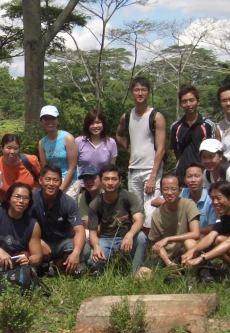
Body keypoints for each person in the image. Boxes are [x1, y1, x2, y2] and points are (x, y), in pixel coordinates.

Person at [116, 77, 166, 232]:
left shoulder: (156, 116)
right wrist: (130, 150)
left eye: (143, 90)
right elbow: (119, 135)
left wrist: (153, 176)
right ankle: (139, 247)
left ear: (149, 93)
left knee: (151, 212)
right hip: (133, 170)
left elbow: (161, 149)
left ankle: (152, 248)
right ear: (131, 93)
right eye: (137, 90)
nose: (140, 93)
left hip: (151, 169)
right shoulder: (127, 116)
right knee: (136, 212)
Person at [87, 164, 146, 274]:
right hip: (105, 239)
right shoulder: (95, 204)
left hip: (126, 237)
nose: (110, 183)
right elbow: (93, 232)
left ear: (119, 181)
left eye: (114, 179)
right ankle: (108, 270)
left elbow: (139, 220)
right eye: (106, 179)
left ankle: (135, 272)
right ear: (100, 180)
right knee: (94, 262)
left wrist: (129, 235)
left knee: (141, 237)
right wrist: (96, 247)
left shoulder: (129, 197)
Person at [31, 164, 88, 275]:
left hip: (62, 242)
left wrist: (75, 253)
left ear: (60, 183)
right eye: (48, 179)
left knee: (84, 250)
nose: (51, 184)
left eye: (55, 180)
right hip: (38, 242)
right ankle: (42, 267)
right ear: (40, 180)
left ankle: (58, 264)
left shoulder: (68, 202)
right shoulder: (31, 198)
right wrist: (39, 242)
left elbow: (79, 230)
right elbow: (22, 225)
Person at [148, 174, 201, 271]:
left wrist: (168, 239)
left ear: (180, 190)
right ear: (161, 191)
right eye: (165, 189)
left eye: (173, 189)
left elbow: (196, 233)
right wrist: (168, 262)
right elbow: (157, 243)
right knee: (141, 276)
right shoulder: (157, 213)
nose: (169, 192)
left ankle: (191, 279)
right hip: (166, 255)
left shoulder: (189, 204)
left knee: (190, 243)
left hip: (185, 252)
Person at [170, 86, 216, 182]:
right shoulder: (175, 127)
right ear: (181, 104)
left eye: (191, 100)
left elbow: (214, 152)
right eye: (184, 101)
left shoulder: (208, 125)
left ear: (198, 102)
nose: (188, 104)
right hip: (182, 176)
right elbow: (176, 151)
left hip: (204, 176)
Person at [38, 105, 80, 198]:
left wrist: (60, 190)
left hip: (70, 181)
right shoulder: (42, 143)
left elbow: (72, 168)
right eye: (46, 119)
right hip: (52, 181)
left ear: (58, 120)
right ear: (41, 122)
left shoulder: (67, 138)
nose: (50, 121)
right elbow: (45, 168)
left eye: (53, 118)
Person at [76, 109, 117, 179]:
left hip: (102, 186)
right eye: (92, 123)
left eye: (98, 122)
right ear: (87, 125)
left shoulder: (111, 142)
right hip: (82, 184)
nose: (95, 126)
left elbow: (111, 169)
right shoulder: (79, 141)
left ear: (103, 124)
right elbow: (73, 166)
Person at [0, 133, 41, 199]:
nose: (12, 151)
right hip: (8, 204)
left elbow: (42, 179)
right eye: (8, 148)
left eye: (15, 148)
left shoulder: (30, 160)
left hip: (32, 200)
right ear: (2, 148)